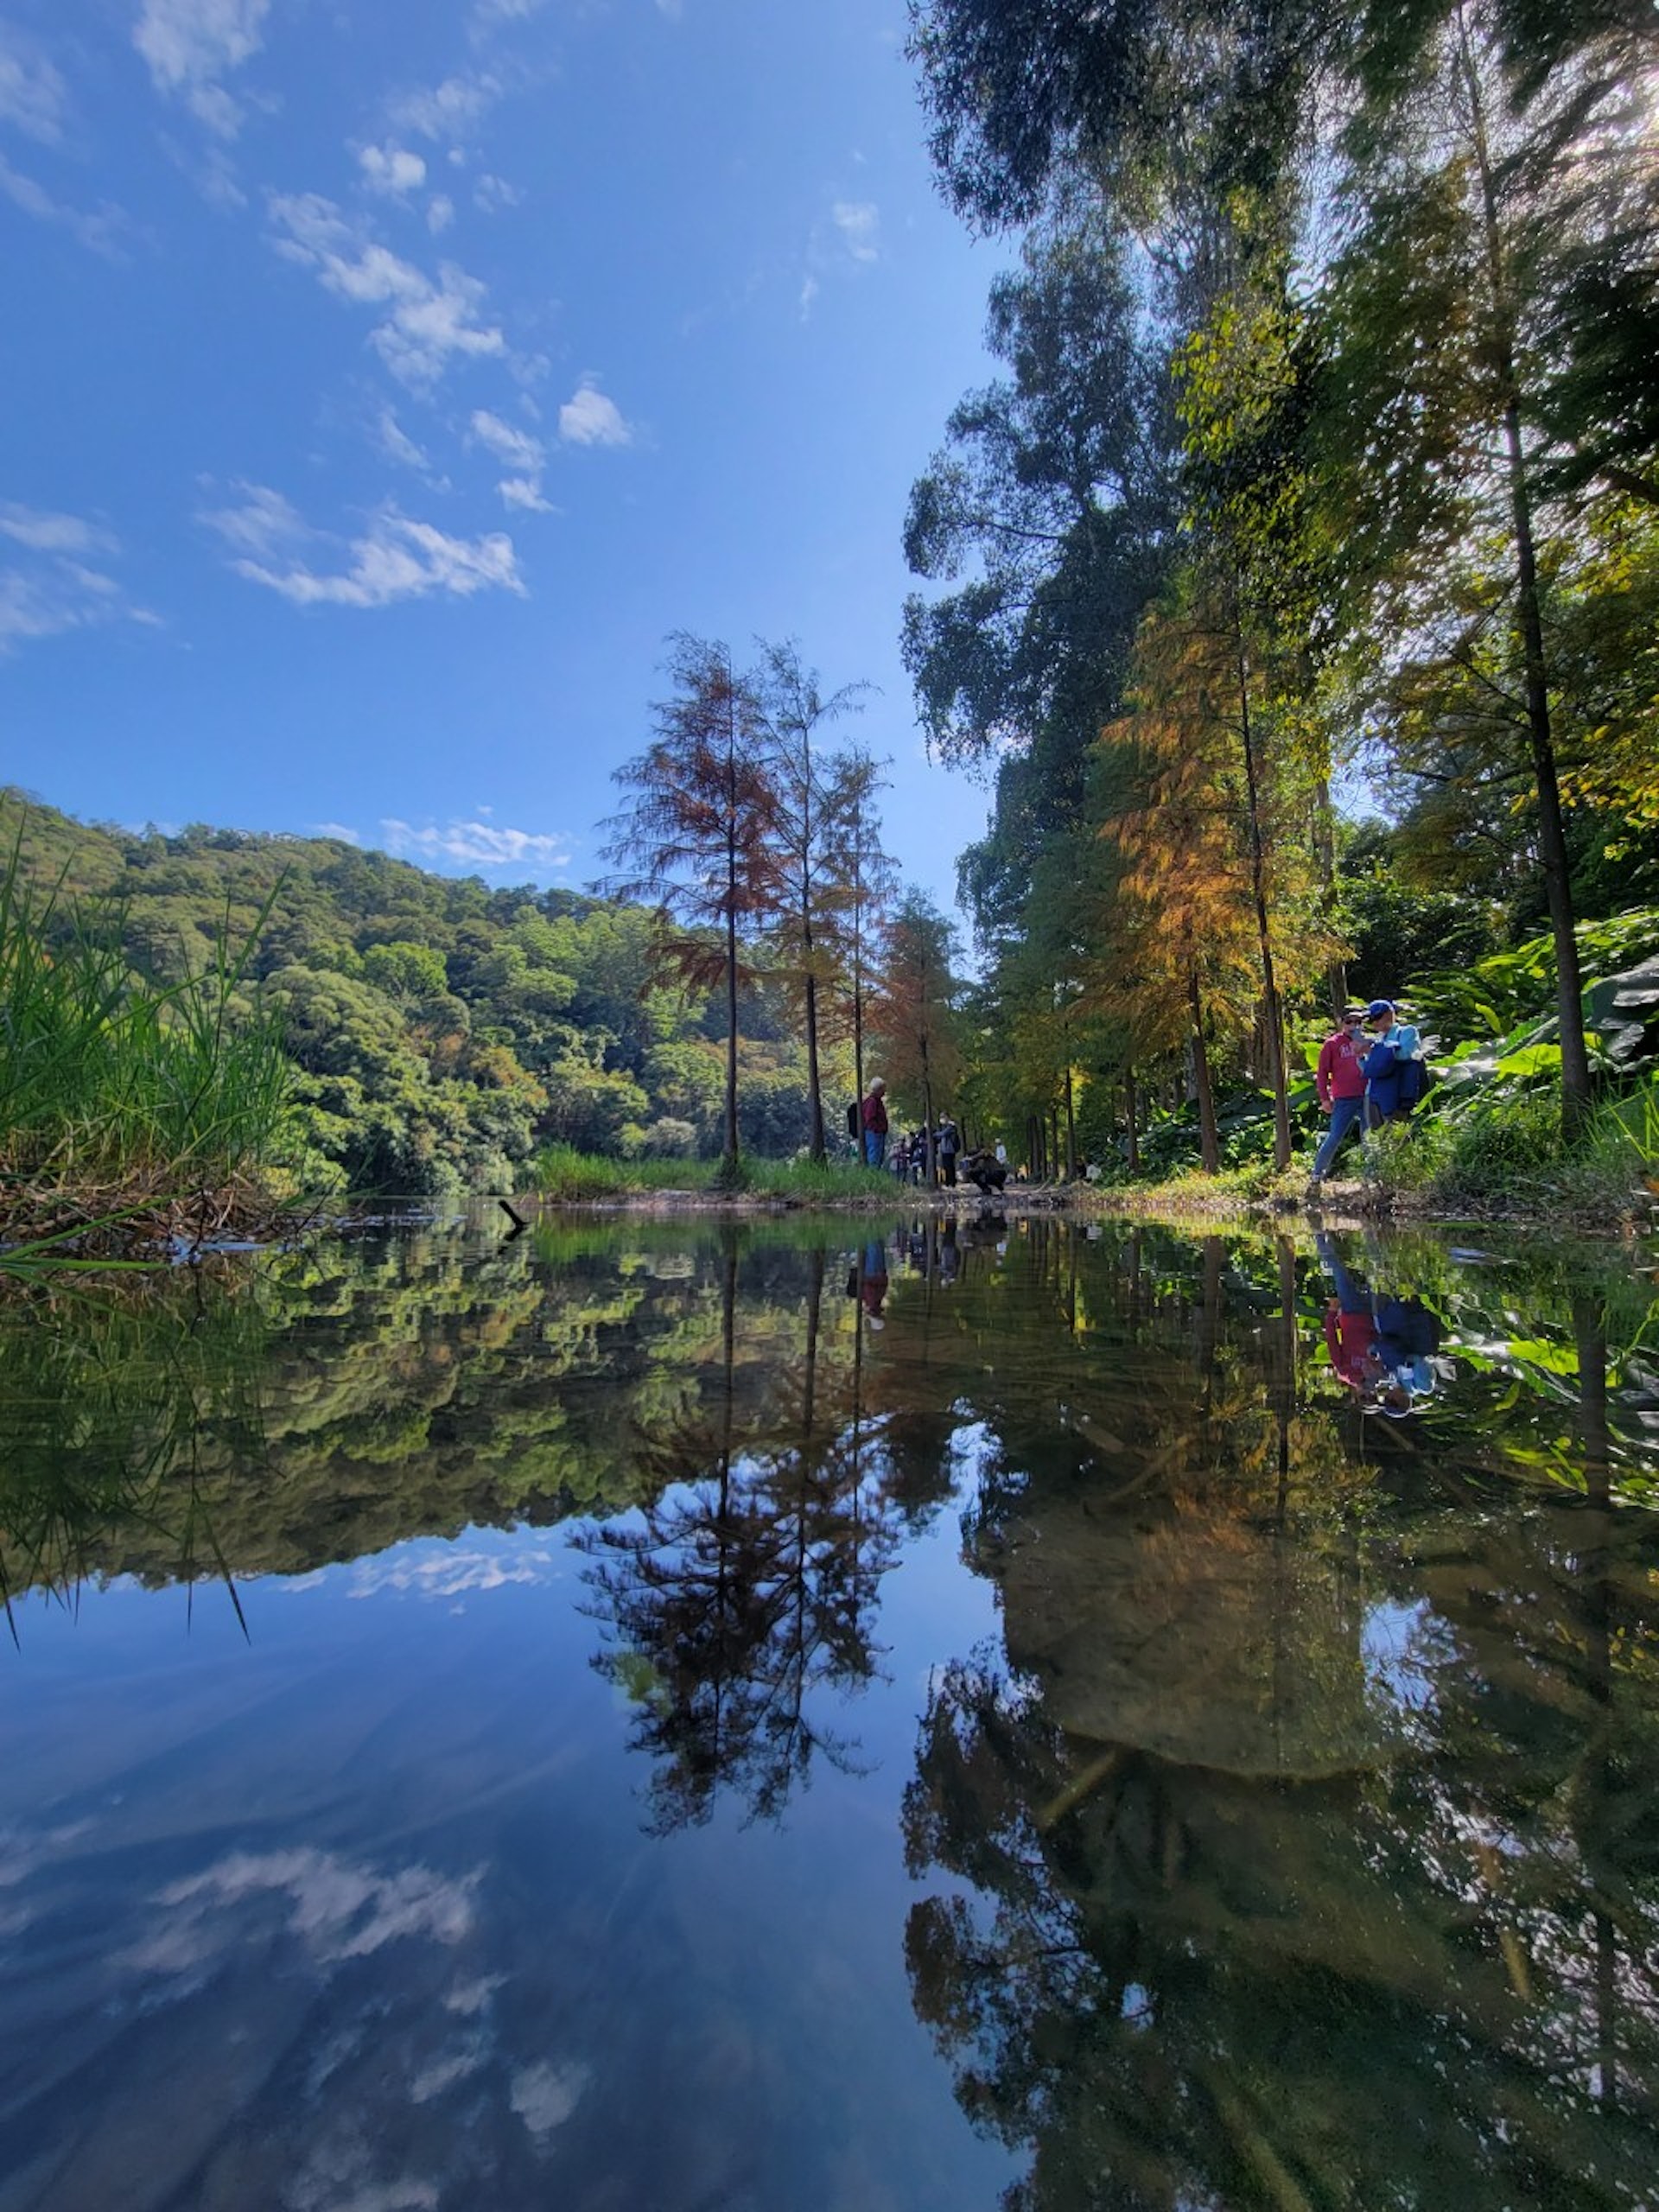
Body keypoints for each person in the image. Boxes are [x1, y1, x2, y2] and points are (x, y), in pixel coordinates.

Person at [1310, 1004, 1370, 1186]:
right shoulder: (1332, 1044)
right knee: (1335, 1136)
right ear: (1341, 1022)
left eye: (1358, 1021)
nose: (1354, 1025)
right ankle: (1317, 1173)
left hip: (1367, 1096)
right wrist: (1324, 1099)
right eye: (1349, 1021)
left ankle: (1371, 1176)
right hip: (1344, 1098)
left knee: (1369, 1137)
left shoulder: (1368, 1042)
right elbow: (1322, 1073)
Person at [1362, 1000, 1422, 1128]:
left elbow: (1406, 1054)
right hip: (1374, 1092)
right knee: (1376, 1136)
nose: (1374, 1022)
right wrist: (1360, 1055)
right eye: (1371, 1019)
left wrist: (1377, 1051)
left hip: (1397, 1092)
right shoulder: (1377, 1039)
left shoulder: (1407, 1032)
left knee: (1397, 1136)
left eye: (1377, 1017)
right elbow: (1368, 1069)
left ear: (1390, 1014)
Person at [861, 1077, 888, 1168]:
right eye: (883, 1089)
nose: (884, 1092)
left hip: (876, 1132)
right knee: (874, 1156)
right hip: (874, 1133)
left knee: (878, 1156)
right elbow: (869, 1118)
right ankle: (872, 1176)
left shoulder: (877, 1101)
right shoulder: (872, 1102)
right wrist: (877, 1129)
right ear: (878, 1089)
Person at [937, 1113, 959, 1187]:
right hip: (945, 1150)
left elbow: (943, 1134)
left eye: (943, 1117)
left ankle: (951, 1182)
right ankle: (948, 1182)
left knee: (949, 1166)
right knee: (946, 1167)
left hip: (949, 1150)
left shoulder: (951, 1126)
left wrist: (934, 1134)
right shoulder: (945, 1126)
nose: (942, 1119)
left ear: (947, 1117)